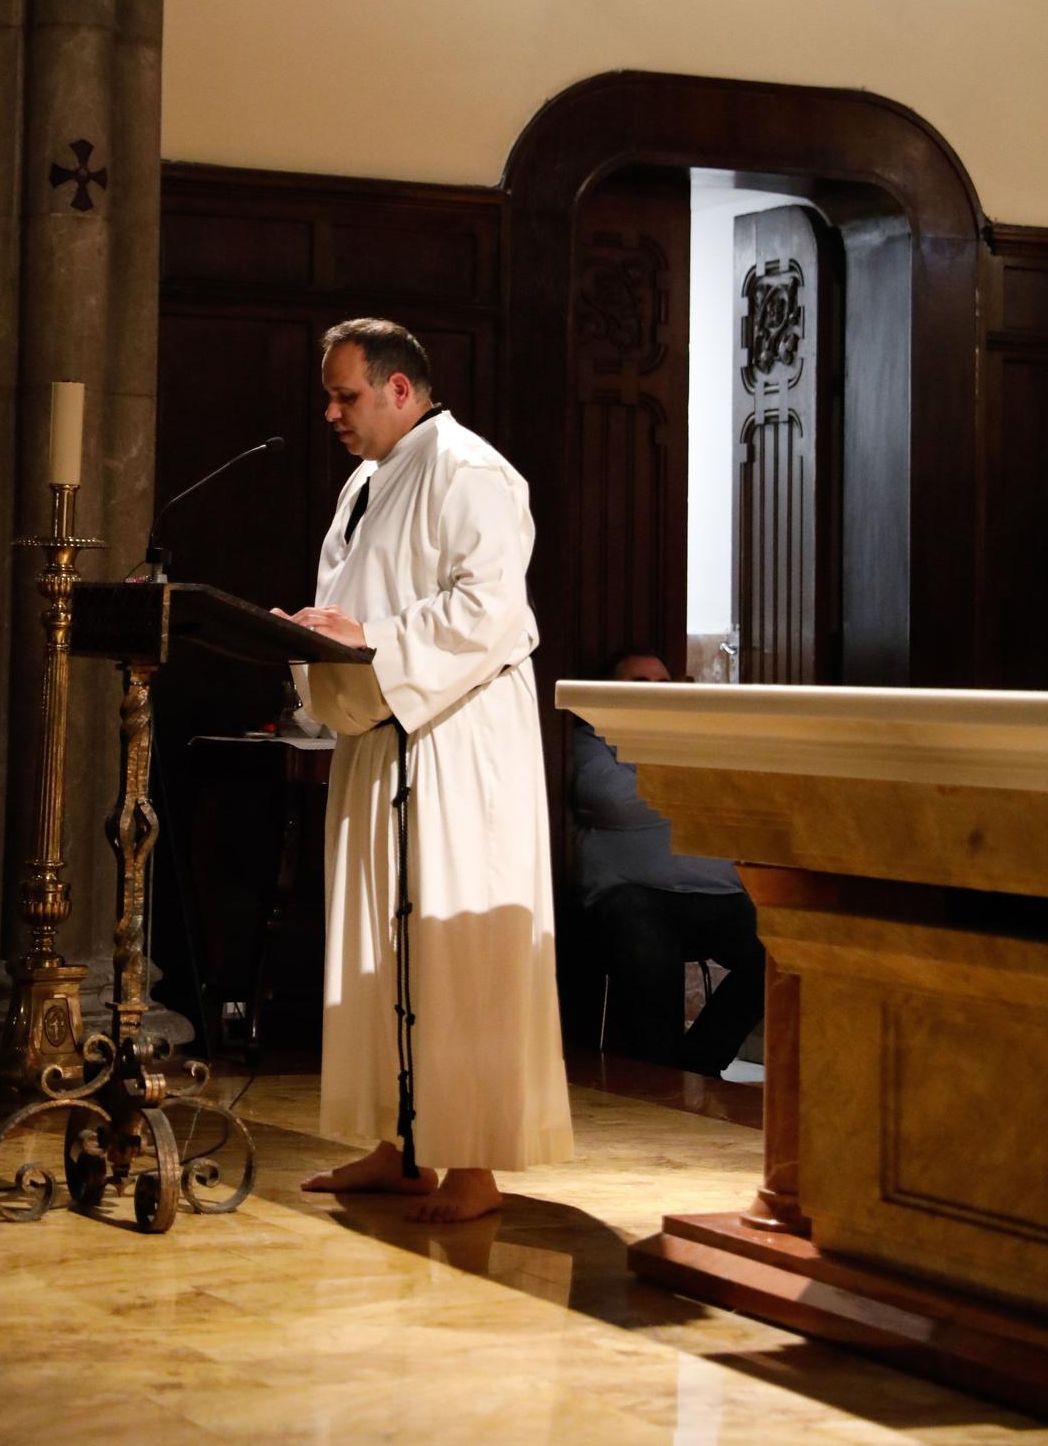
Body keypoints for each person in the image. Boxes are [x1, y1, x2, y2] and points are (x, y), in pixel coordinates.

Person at [276, 318, 573, 1224]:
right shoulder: (368, 481)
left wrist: (370, 640)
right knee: (381, 941)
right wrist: (321, 638)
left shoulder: (469, 470)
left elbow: (487, 610)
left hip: (455, 736)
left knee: (454, 941)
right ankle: (399, 1146)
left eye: (345, 394)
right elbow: (357, 602)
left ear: (400, 389)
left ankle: (473, 1163)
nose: (331, 411)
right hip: (383, 727)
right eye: (330, 395)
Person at [570, 649, 765, 1075]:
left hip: (719, 893)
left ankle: (699, 1062)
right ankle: (657, 1074)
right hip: (633, 894)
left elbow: (743, 792)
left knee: (784, 944)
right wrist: (699, 794)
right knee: (640, 936)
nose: (654, 694)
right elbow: (611, 800)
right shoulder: (588, 740)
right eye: (640, 684)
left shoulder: (696, 740)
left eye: (663, 684)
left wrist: (695, 792)